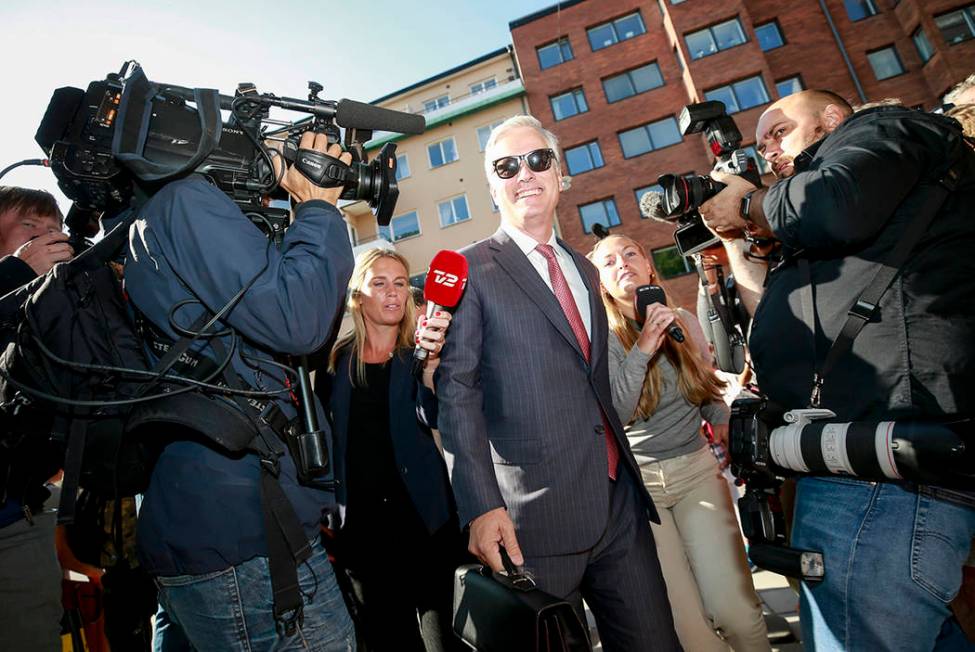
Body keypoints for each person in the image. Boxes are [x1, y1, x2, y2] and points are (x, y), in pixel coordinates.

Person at [698, 89, 975, 650]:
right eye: (760, 144)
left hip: (884, 471)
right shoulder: (846, 203)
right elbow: (775, 317)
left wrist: (750, 207)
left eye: (779, 131)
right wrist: (737, 238)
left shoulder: (882, 131)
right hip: (854, 460)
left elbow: (832, 204)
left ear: (833, 118)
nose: (769, 150)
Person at [435, 115, 680, 651]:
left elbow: (595, 381)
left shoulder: (584, 269)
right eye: (507, 166)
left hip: (618, 507)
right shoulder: (470, 269)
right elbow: (456, 396)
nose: (525, 174)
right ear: (492, 185)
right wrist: (480, 505)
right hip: (531, 523)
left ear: (558, 172)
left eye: (537, 160)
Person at [123, 131, 356, 650]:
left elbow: (290, 346)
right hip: (248, 544)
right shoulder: (187, 203)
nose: (278, 166)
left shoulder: (155, 220)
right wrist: (317, 208)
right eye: (276, 150)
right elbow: (298, 320)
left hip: (220, 531)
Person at [589, 234, 769, 652]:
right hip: (642, 491)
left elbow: (704, 392)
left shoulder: (684, 321)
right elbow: (617, 412)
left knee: (736, 612)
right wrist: (645, 347)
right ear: (601, 283)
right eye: (609, 262)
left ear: (649, 266)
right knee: (689, 630)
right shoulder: (603, 340)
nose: (623, 264)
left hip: (696, 472)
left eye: (631, 253)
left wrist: (723, 418)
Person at [321, 248, 466, 652]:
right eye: (379, 283)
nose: (392, 292)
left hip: (428, 524)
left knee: (447, 642)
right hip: (363, 537)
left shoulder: (420, 354)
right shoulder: (336, 363)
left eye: (400, 283)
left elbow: (435, 416)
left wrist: (433, 370)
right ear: (358, 297)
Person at [0, 186, 72, 652]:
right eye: (30, 226)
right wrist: (15, 274)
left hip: (17, 522)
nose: (48, 236)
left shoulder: (56, 310)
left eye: (55, 228)